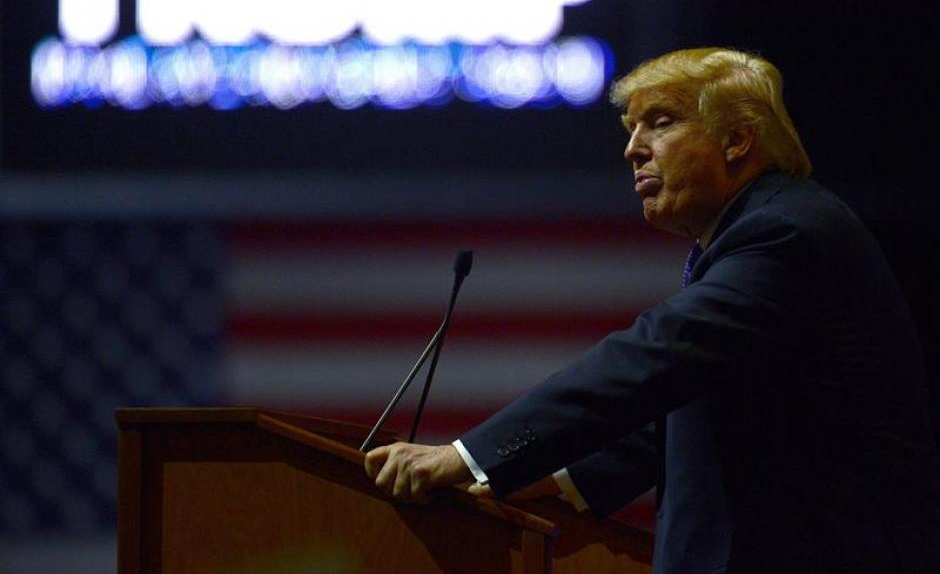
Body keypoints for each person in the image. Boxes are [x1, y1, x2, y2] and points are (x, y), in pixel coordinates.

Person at [364, 47, 940, 572]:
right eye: (632, 128)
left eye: (660, 123)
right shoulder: (757, 231)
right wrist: (562, 479)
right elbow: (697, 409)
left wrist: (468, 457)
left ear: (737, 140)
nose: (633, 148)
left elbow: (655, 355)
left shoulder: (786, 234)